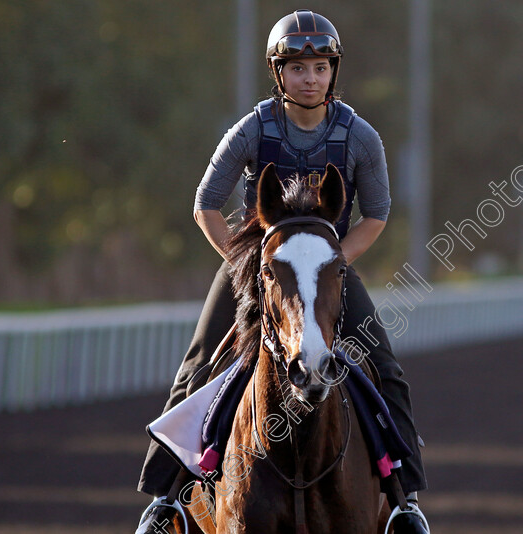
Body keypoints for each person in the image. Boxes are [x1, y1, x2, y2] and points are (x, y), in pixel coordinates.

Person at [136, 9, 429, 533]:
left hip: (326, 267)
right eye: (298, 68)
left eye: (319, 67)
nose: (310, 78)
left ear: (333, 72)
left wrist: (329, 268)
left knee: (387, 369)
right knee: (199, 363)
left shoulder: (361, 137)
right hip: (259, 268)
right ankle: (165, 500)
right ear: (279, 73)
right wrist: (249, 266)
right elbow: (206, 204)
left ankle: (404, 504)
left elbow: (377, 216)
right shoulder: (252, 129)